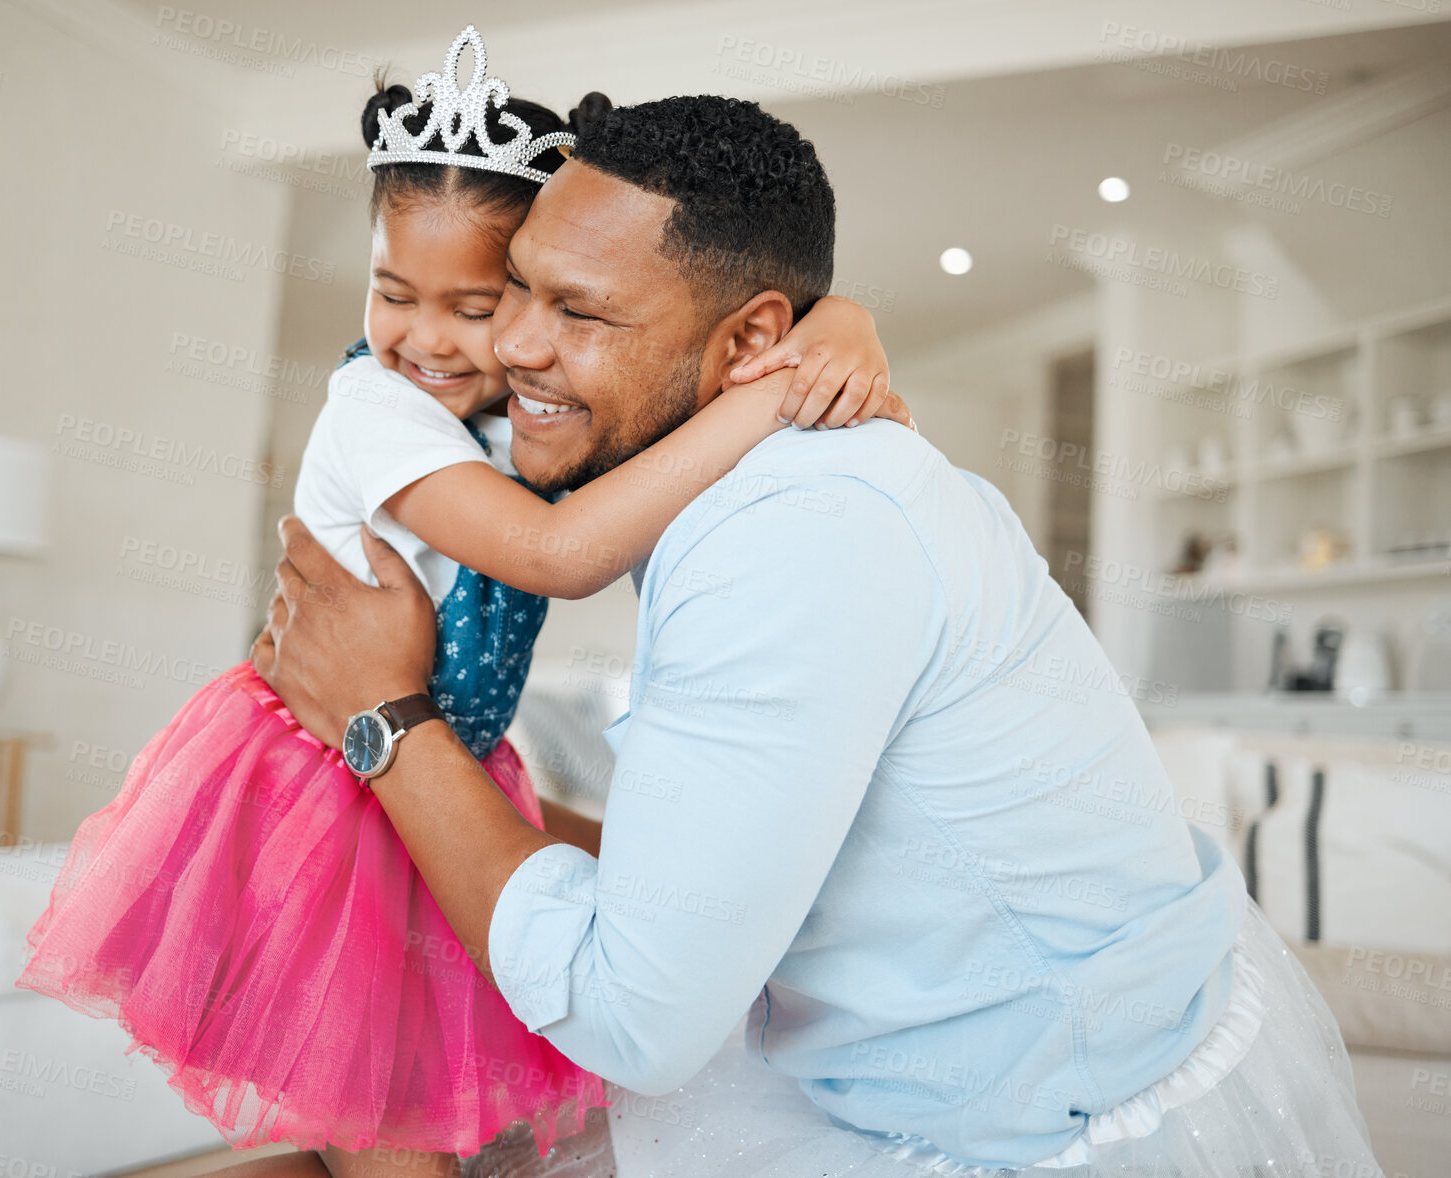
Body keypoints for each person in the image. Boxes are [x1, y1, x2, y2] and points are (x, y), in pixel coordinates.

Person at [249, 94, 1382, 1177]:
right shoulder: (734, 465)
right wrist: (836, 320)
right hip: (1009, 1016)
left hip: (1029, 1108)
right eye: (515, 292)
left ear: (750, 341)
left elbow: (631, 1016)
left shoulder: (786, 543)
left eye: (579, 313)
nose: (514, 349)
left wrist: (382, 716)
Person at [17, 28, 911, 1178]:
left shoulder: (523, 418)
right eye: (395, 293)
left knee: (441, 1115)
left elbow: (671, 402)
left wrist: (839, 320)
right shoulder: (372, 412)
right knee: (383, 1119)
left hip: (443, 771)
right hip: (327, 793)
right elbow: (553, 551)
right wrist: (781, 389)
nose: (427, 338)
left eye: (475, 306)